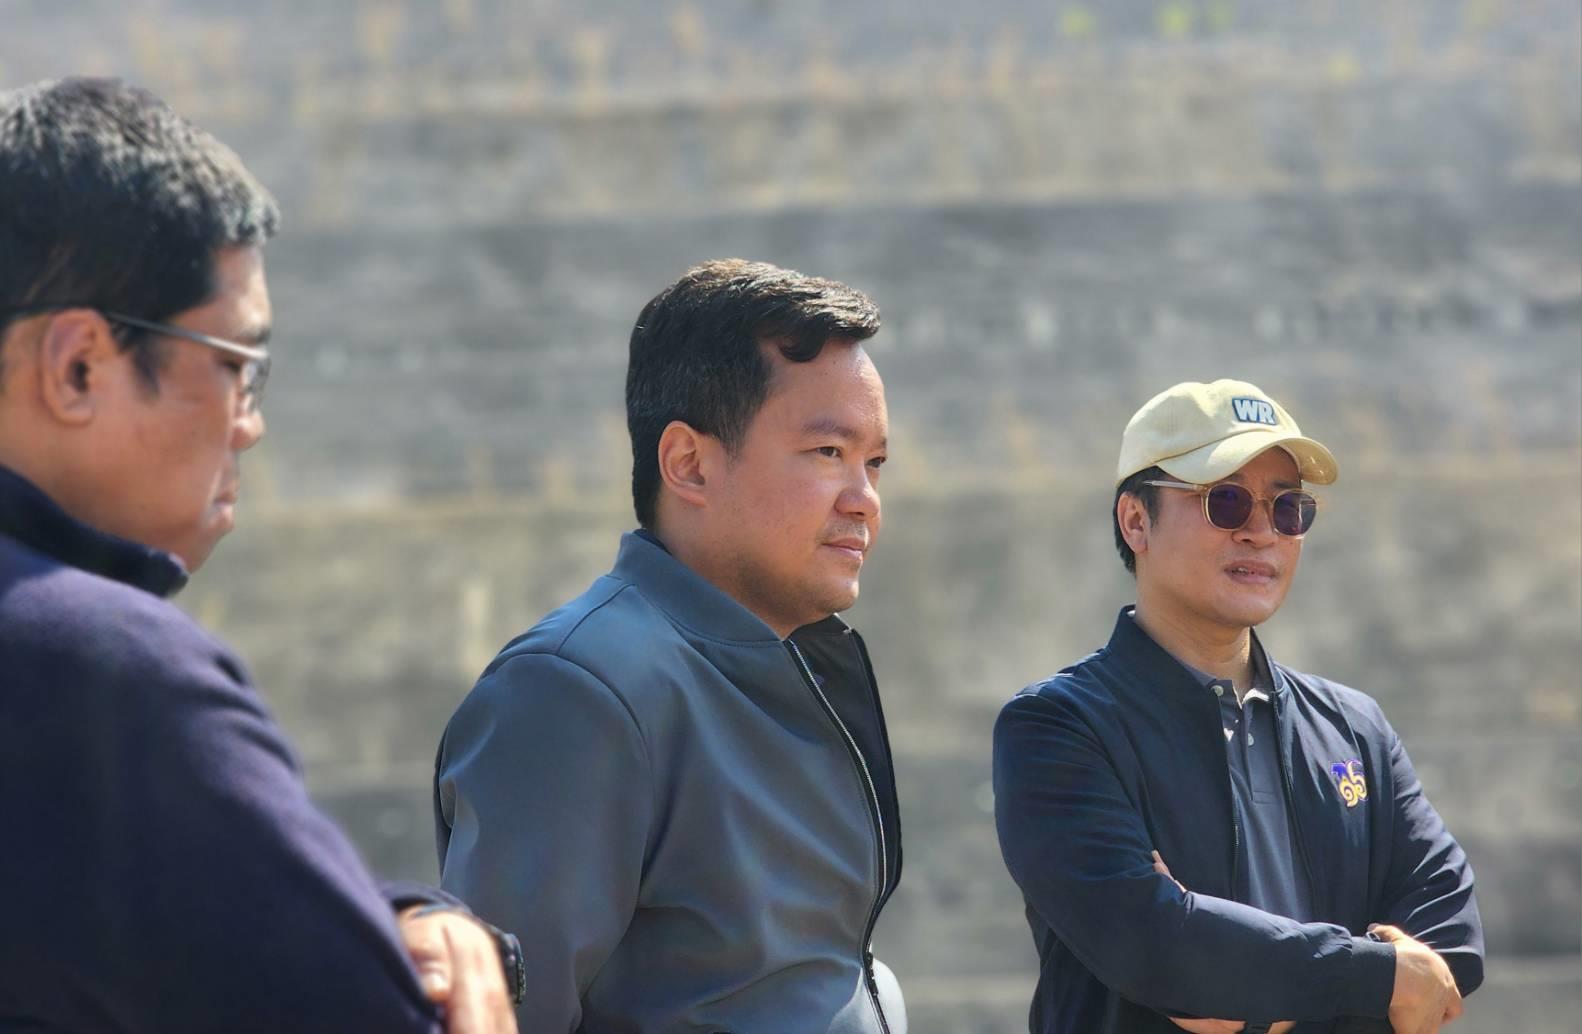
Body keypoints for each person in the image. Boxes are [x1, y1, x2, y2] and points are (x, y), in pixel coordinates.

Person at [0, 77, 521, 1033]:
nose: (250, 425)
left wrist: (398, 916)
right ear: (77, 367)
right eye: (236, 367)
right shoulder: (97, 669)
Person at [434, 259, 906, 1032]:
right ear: (689, 464)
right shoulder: (578, 691)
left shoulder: (786, 672)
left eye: (875, 463)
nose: (865, 501)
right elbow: (500, 1019)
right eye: (829, 453)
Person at [993, 379, 1483, 1034]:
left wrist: (1251, 986)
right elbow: (1156, 946)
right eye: (1225, 501)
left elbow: (1451, 942)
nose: (1261, 532)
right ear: (1135, 520)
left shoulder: (1354, 728)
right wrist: (1375, 976)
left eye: (1288, 509)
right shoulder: (1059, 727)